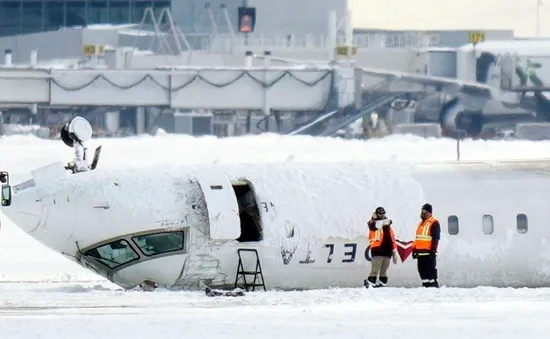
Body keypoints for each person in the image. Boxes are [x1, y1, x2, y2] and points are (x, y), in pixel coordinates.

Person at [364, 206, 398, 288]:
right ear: (376, 214)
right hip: (377, 248)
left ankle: (382, 283)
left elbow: (392, 237)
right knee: (375, 268)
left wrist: (394, 250)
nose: (382, 215)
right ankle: (371, 282)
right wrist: (383, 222)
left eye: (383, 213)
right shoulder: (372, 222)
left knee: (384, 269)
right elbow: (373, 227)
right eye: (380, 213)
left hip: (387, 250)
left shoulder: (388, 225)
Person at [412, 203, 441, 288]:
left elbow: (435, 237)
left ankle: (433, 287)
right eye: (422, 210)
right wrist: (414, 249)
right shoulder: (420, 223)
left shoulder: (434, 222)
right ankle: (425, 287)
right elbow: (417, 238)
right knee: (422, 271)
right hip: (420, 253)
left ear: (429, 212)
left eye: (424, 211)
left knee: (431, 272)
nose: (422, 212)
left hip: (428, 253)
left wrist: (433, 249)